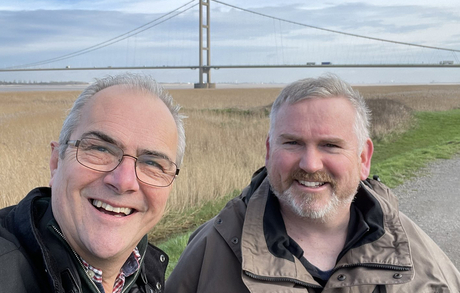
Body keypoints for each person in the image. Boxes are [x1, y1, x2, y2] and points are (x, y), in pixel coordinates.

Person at [166, 74, 460, 293]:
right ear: (269, 152)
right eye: (292, 143)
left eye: (330, 145)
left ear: (363, 158)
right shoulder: (210, 251)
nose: (310, 164)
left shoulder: (422, 260)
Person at [0, 73, 185, 293]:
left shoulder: (147, 276)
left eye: (153, 164)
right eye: (100, 149)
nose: (124, 181)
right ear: (56, 161)